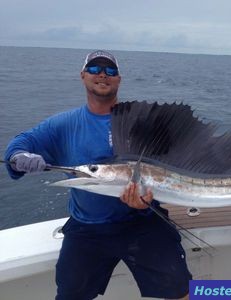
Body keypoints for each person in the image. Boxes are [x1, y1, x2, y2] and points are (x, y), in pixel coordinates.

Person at [4, 50, 192, 299]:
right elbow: (21, 143)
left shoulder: (141, 123)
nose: (102, 74)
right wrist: (19, 157)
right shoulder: (65, 124)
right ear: (82, 76)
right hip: (88, 229)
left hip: (144, 221)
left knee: (182, 290)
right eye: (94, 69)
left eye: (110, 70)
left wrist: (145, 201)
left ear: (118, 79)